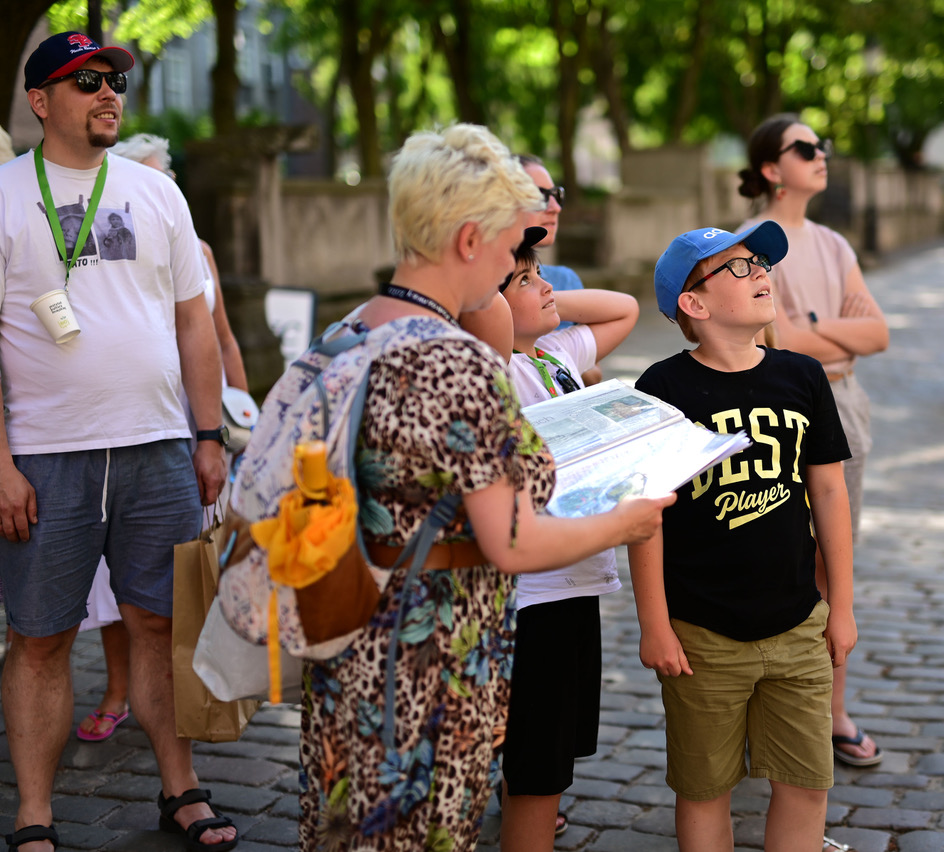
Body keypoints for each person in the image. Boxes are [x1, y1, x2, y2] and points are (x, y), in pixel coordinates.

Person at [294, 124, 671, 852]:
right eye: (509, 245)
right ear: (470, 239)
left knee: (347, 823)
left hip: (345, 625)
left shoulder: (346, 332)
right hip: (431, 644)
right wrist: (623, 523)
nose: (518, 262)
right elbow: (513, 537)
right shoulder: (456, 364)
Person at [0, 32, 234, 852]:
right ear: (41, 101)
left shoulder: (156, 194)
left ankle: (183, 790)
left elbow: (193, 326)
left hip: (158, 448)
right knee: (40, 638)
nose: (109, 93)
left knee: (159, 627)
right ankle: (34, 814)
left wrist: (207, 434)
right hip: (44, 455)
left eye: (116, 81)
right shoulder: (0, 196)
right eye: (86, 81)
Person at [631, 222, 858, 852]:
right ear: (694, 305)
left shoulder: (803, 376)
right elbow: (646, 516)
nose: (760, 273)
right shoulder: (663, 389)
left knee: (807, 784)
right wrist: (655, 623)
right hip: (702, 634)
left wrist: (840, 605)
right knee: (706, 791)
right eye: (737, 268)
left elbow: (829, 494)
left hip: (796, 623)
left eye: (760, 263)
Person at [72, 131, 252, 745]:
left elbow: (219, 335)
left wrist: (236, 409)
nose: (161, 185)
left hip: (197, 418)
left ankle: (202, 683)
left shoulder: (197, 249)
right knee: (113, 583)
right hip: (130, 420)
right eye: (149, 175)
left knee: (191, 564)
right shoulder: (108, 243)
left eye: (165, 174)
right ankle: (119, 688)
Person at [738, 113, 888, 771]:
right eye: (805, 148)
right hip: (776, 410)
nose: (821, 154)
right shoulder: (747, 243)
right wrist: (826, 333)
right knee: (771, 563)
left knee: (835, 562)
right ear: (772, 168)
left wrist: (815, 326)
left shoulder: (831, 242)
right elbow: (776, 340)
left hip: (844, 403)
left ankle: (830, 712)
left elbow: (878, 333)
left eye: (823, 145)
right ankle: (756, 710)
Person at [496, 227, 639, 848]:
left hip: (577, 577)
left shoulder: (551, 355)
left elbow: (625, 309)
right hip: (533, 591)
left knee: (551, 757)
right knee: (535, 766)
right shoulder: (495, 368)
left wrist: (538, 296)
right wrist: (504, 302)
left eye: (541, 273)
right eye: (526, 279)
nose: (547, 285)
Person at [517, 154, 603, 384]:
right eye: (538, 196)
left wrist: (550, 346)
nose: (555, 207)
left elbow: (594, 374)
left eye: (557, 195)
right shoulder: (483, 287)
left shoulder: (564, 279)